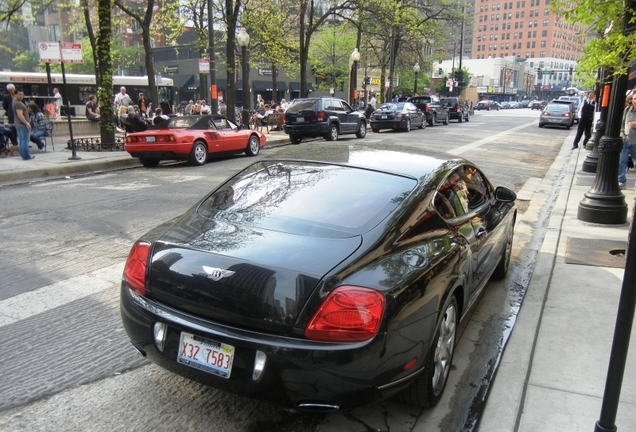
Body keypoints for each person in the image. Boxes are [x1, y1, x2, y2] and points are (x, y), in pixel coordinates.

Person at [619, 95, 636, 189]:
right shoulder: (627, 110)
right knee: (622, 161)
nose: (635, 101)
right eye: (634, 99)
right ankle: (621, 180)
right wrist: (622, 134)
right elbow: (622, 123)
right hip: (626, 139)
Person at [12, 90, 34, 160]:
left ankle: (22, 154)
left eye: (22, 94)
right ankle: (26, 155)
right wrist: (26, 123)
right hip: (22, 124)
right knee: (25, 140)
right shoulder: (19, 104)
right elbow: (20, 115)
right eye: (19, 94)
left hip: (18, 124)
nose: (21, 96)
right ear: (15, 95)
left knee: (21, 140)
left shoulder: (15, 102)